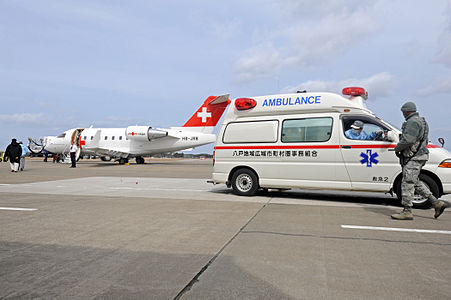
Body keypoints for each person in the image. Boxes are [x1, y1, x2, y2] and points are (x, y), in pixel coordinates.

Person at [391, 101, 450, 220]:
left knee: (407, 183)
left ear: (406, 111)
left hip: (413, 157)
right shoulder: (422, 122)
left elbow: (408, 140)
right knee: (414, 181)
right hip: (420, 156)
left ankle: (407, 211)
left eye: (403, 112)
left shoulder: (412, 122)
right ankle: (436, 203)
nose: (403, 114)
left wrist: (397, 148)